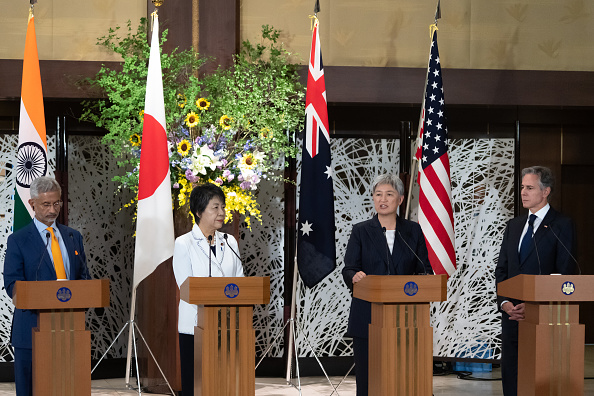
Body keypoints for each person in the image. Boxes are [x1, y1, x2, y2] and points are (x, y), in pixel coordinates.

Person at [342, 173, 432, 396]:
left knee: (403, 376)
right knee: (368, 378)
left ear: (400, 200)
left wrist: (422, 280)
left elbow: (424, 270)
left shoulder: (413, 231)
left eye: (389, 194)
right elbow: (349, 268)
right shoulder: (361, 231)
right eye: (378, 194)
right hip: (367, 315)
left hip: (406, 318)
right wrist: (353, 276)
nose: (383, 199)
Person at [3, 176, 91, 396]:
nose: (53, 210)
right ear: (32, 204)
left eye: (56, 203)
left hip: (70, 329)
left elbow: (84, 278)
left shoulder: (74, 237)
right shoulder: (18, 240)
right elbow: (12, 283)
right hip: (31, 330)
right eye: (46, 204)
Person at [495, 166, 576, 396]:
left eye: (529, 188)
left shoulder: (562, 225)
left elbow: (564, 273)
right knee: (512, 374)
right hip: (512, 315)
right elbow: (502, 270)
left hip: (544, 319)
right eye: (522, 187)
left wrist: (533, 307)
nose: (523, 192)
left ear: (546, 191)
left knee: (538, 376)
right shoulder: (514, 226)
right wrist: (505, 303)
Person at [172, 183, 244, 396]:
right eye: (215, 208)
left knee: (223, 386)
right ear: (198, 211)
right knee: (196, 386)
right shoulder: (184, 243)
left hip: (227, 327)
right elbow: (186, 287)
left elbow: (239, 279)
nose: (222, 213)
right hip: (195, 326)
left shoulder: (230, 241)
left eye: (223, 207)